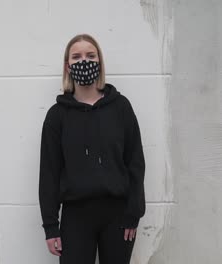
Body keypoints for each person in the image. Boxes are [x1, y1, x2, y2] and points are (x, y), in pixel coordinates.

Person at [38, 33, 146, 264]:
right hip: (76, 216)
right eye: (76, 56)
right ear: (68, 66)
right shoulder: (57, 116)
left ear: (99, 62)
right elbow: (49, 173)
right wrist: (50, 226)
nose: (84, 61)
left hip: (118, 215)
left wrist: (133, 212)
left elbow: (135, 162)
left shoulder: (120, 107)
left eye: (90, 55)